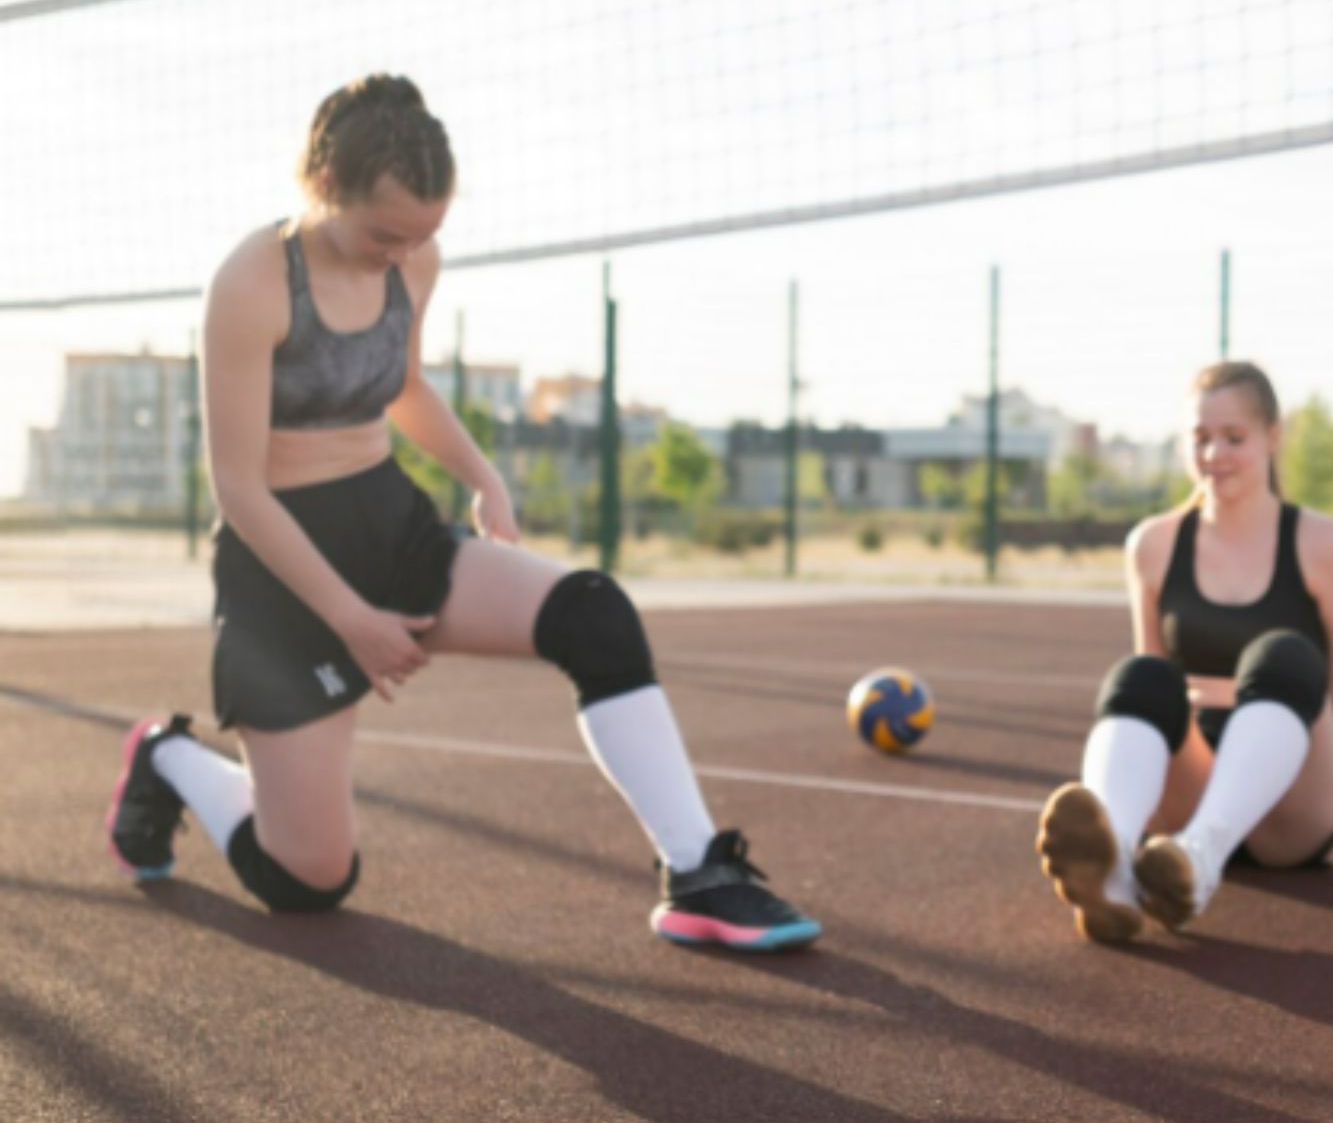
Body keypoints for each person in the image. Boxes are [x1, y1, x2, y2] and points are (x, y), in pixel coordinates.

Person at [103, 73, 821, 952]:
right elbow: (239, 489)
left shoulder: (415, 258)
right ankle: (168, 755)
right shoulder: (253, 281)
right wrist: (353, 621)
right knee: (306, 882)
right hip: (282, 572)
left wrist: (484, 476)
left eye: (423, 234)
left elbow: (401, 384)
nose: (403, 252)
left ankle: (700, 873)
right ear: (324, 185)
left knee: (594, 613)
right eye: (385, 233)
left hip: (386, 526)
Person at [1035, 361, 1333, 944]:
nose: (1214, 453)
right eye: (1200, 438)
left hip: (1292, 809)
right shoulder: (1153, 544)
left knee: (1284, 654)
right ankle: (1113, 873)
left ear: (1273, 436)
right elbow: (1156, 708)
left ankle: (1200, 858)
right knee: (1141, 676)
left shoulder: (1326, 545)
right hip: (1192, 786)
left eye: (1233, 437)